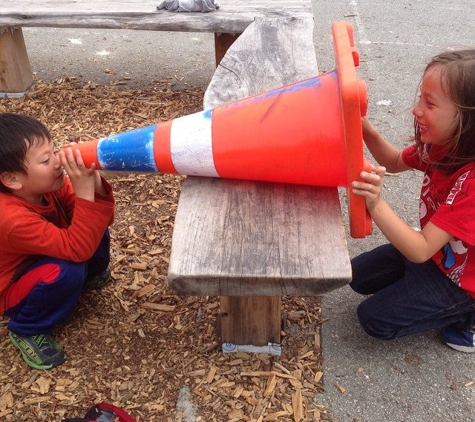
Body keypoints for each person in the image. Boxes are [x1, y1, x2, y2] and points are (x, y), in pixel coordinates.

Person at [350, 49, 475, 353]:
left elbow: (419, 250)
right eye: (421, 98)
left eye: (429, 104)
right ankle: (418, 292)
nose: (416, 110)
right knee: (354, 276)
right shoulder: (442, 145)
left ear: (468, 119)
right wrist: (362, 127)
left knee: (374, 320)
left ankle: (465, 316)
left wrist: (376, 204)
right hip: (435, 255)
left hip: (460, 282)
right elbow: (392, 161)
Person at [0, 113, 115, 369]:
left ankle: (90, 275)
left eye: (54, 151)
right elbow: (78, 248)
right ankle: (27, 328)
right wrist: (84, 190)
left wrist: (92, 178)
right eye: (45, 159)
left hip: (44, 257)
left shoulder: (48, 186)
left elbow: (100, 219)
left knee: (92, 224)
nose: (57, 162)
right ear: (12, 179)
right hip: (15, 287)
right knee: (66, 270)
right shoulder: (10, 218)